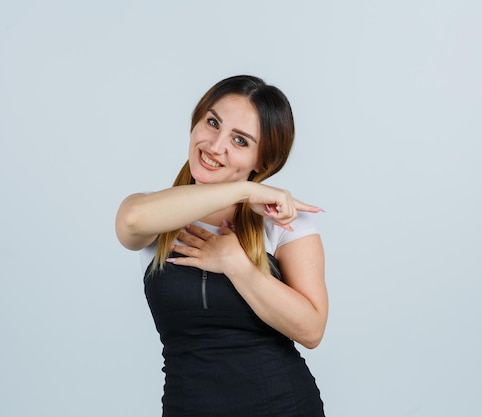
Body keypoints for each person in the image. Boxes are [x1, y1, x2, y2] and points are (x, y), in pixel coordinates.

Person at [115, 75, 328, 417]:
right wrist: (246, 191)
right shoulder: (155, 213)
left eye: (240, 141)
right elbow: (130, 223)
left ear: (262, 160)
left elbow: (312, 329)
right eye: (212, 122)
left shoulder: (284, 222)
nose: (215, 146)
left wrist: (237, 265)